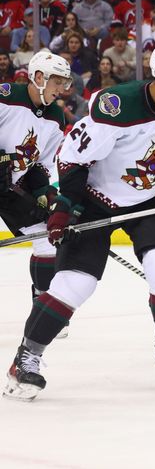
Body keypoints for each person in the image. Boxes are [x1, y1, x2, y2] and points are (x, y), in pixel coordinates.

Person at [3, 40, 155, 401]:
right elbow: (72, 159)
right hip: (95, 201)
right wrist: (65, 204)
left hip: (146, 202)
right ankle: (27, 357)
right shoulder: (117, 106)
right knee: (74, 283)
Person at [0, 53, 70, 350]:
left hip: (12, 187)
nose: (62, 89)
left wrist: (43, 190)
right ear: (39, 77)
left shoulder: (56, 116)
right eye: (57, 81)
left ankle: (44, 302)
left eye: (65, 83)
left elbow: (40, 164)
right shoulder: (5, 96)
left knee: (45, 238)